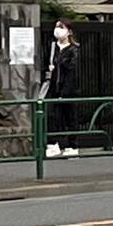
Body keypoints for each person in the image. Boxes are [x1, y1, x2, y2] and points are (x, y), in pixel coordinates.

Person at [41, 21, 80, 158]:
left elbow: (73, 72)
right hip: (52, 89)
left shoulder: (74, 50)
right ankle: (53, 144)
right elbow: (45, 65)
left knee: (70, 118)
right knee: (52, 117)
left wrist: (65, 91)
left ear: (69, 31)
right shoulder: (52, 48)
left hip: (69, 91)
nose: (58, 30)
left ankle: (72, 146)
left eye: (61, 27)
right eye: (56, 26)